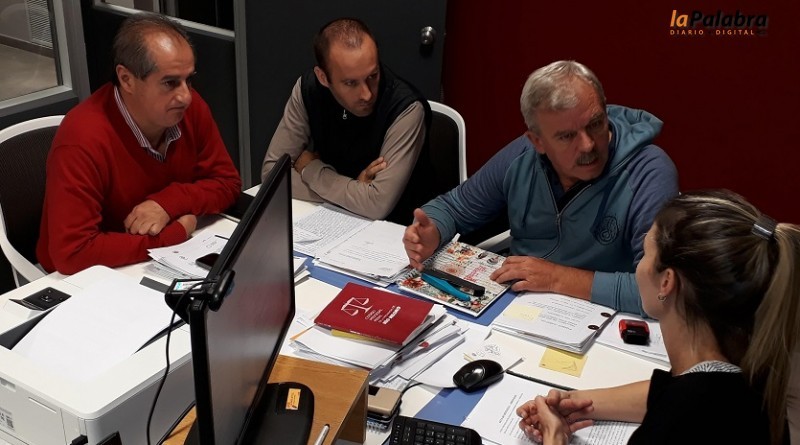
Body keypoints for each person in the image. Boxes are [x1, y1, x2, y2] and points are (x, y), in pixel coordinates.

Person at [516, 190, 800, 445]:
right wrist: (575, 401)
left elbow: (680, 404)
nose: (639, 266)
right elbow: (674, 392)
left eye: (646, 253)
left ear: (666, 282)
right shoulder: (753, 369)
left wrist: (555, 438)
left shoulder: (672, 425)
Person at [403, 60, 678, 314]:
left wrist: (558, 278)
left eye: (595, 124)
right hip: (520, 307)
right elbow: (454, 207)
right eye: (567, 136)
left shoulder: (648, 171)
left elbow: (664, 291)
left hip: (604, 317)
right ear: (537, 142)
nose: (587, 145)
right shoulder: (523, 156)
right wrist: (432, 232)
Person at [36, 13, 241, 275]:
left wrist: (169, 202)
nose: (186, 96)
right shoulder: (82, 139)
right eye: (170, 83)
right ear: (126, 79)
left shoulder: (189, 110)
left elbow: (227, 183)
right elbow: (72, 253)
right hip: (91, 275)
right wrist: (173, 235)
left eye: (188, 80)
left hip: (155, 260)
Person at [261, 18, 433, 224]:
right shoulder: (309, 89)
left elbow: (376, 205)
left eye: (373, 76)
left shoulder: (406, 109)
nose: (367, 94)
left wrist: (310, 169)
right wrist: (355, 192)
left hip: (396, 229)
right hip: (333, 221)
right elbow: (271, 176)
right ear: (323, 78)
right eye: (351, 83)